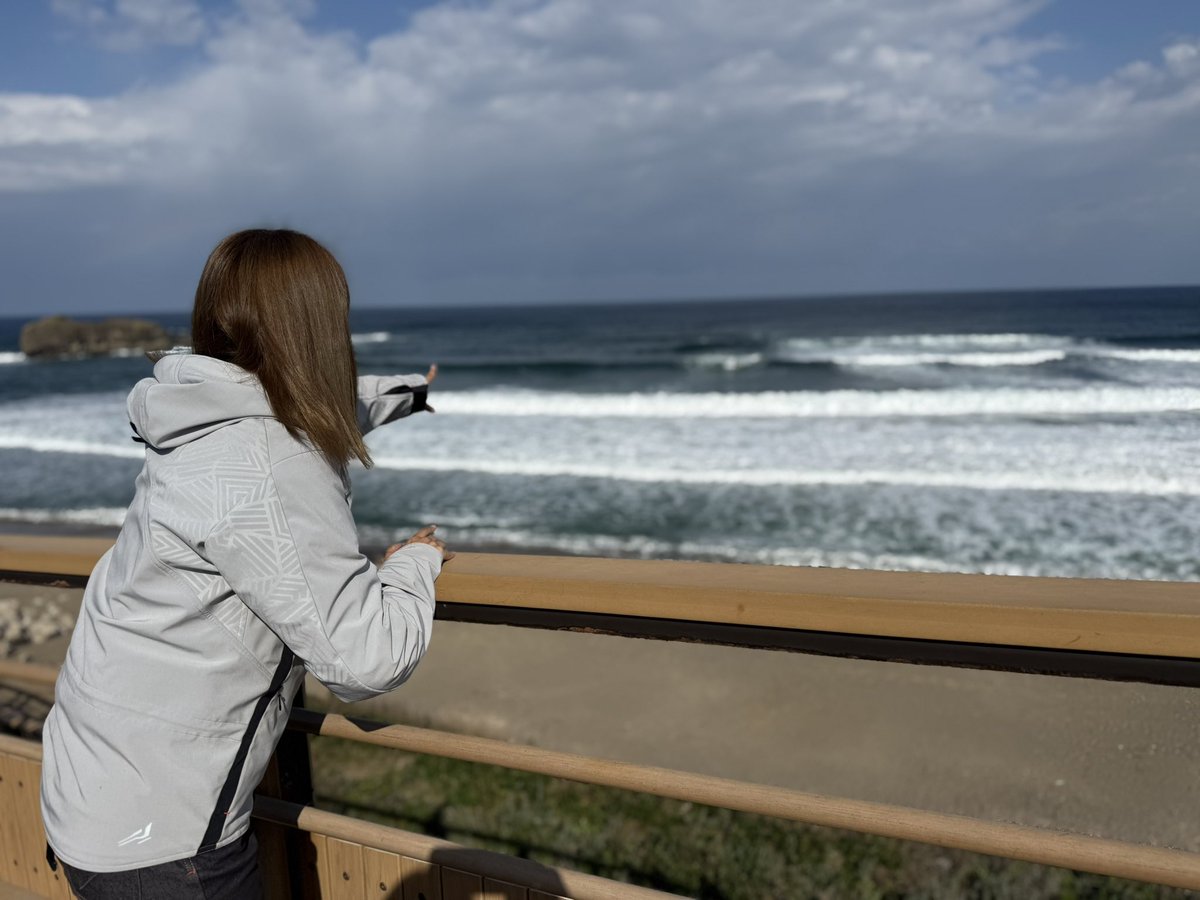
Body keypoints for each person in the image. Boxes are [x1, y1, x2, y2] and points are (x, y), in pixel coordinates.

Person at [39, 228, 450, 899]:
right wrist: (413, 564)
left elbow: (318, 402)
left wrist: (409, 393)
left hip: (90, 789)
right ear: (318, 326)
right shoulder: (269, 463)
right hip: (162, 843)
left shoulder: (198, 414)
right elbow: (365, 660)